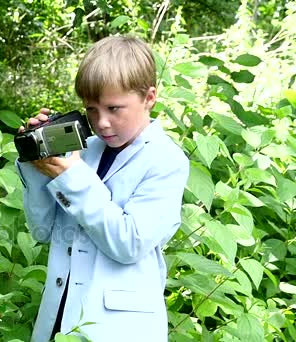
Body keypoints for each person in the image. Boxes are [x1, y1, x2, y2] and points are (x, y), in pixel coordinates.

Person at [15, 35, 190, 341]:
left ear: (150, 97)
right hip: (58, 318)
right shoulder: (85, 150)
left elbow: (129, 243)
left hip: (119, 329)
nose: (102, 123)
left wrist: (71, 177)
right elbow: (42, 231)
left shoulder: (166, 159)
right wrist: (37, 167)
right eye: (91, 110)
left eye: (114, 108)